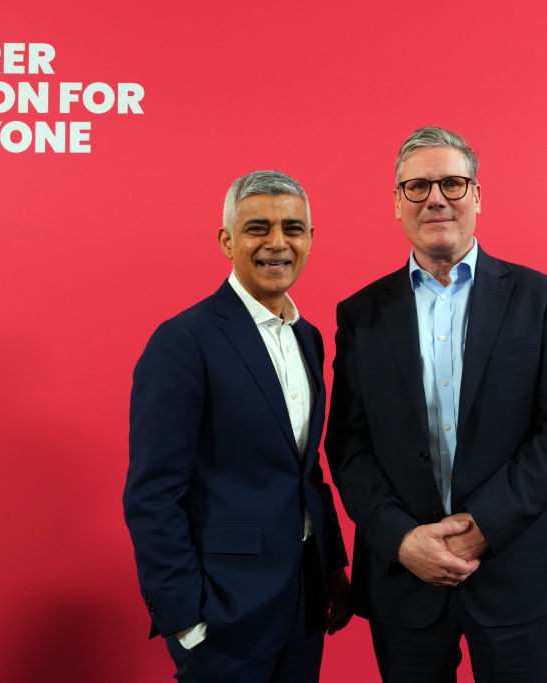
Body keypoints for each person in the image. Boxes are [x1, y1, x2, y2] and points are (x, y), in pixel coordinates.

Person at [325, 127, 547, 682]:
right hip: (405, 580)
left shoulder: (539, 298)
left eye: (452, 182)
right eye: (417, 187)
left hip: (519, 570)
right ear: (397, 203)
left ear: (477, 196)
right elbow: (349, 446)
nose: (436, 198)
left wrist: (484, 526)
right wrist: (400, 539)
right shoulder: (360, 314)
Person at [124, 170, 351, 682]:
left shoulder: (310, 338)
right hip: (224, 613)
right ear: (227, 240)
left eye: (293, 228)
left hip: (304, 603)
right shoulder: (184, 341)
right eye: (257, 228)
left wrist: (331, 566)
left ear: (310, 241)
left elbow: (306, 469)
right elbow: (152, 494)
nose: (277, 242)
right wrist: (186, 620)